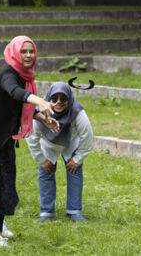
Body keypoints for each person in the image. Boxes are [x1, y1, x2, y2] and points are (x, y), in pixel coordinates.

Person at [0, 36, 59, 247]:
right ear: (14, 52)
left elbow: (18, 106)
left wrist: (42, 119)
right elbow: (15, 93)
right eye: (24, 51)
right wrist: (38, 99)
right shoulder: (9, 75)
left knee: (5, 180)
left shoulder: (25, 76)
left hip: (4, 135)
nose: (28, 55)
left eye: (31, 51)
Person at [26, 82, 93, 222]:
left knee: (75, 171)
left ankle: (75, 211)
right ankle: (46, 212)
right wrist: (41, 160)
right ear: (48, 99)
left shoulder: (78, 112)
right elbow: (31, 137)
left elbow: (87, 138)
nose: (58, 102)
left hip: (70, 142)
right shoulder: (39, 112)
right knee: (46, 173)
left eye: (63, 99)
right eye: (54, 99)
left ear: (69, 99)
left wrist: (77, 159)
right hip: (47, 144)